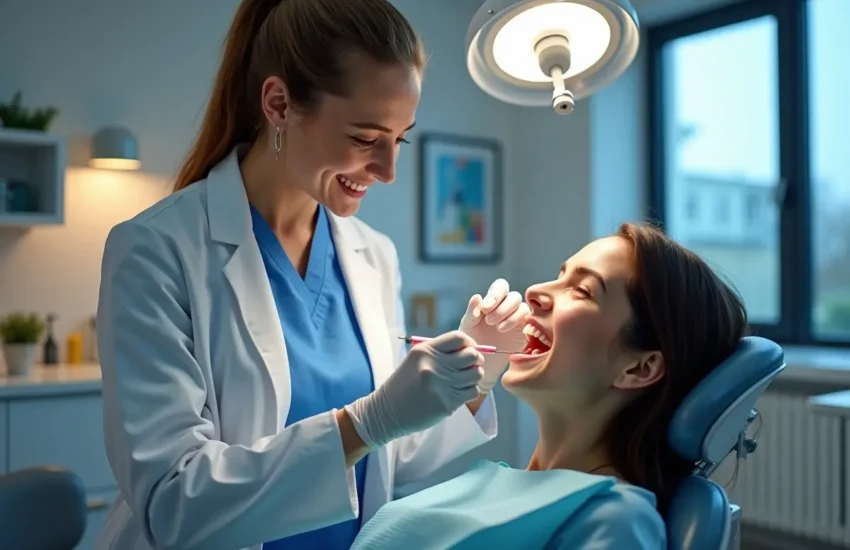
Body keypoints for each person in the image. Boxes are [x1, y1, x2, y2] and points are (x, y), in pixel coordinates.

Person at [93, 1, 529, 549]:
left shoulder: (374, 256)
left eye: (400, 140)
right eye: (366, 139)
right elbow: (174, 503)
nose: (388, 171)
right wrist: (366, 421)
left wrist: (473, 379)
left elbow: (386, 459)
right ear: (279, 104)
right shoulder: (156, 250)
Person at [350, 222, 750, 549]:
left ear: (640, 368)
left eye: (582, 290)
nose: (535, 292)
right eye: (561, 275)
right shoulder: (494, 481)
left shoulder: (615, 519)